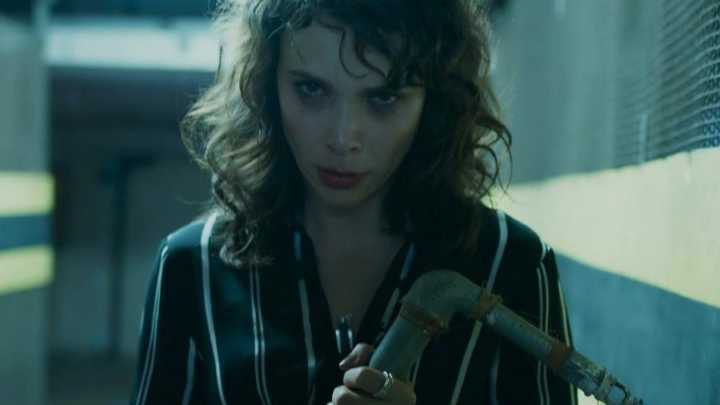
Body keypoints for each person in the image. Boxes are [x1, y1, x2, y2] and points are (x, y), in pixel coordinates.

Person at [129, 0, 578, 404]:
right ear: (267, 85)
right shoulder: (193, 266)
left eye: (383, 98)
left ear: (435, 100)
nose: (343, 138)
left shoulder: (510, 263)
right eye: (311, 89)